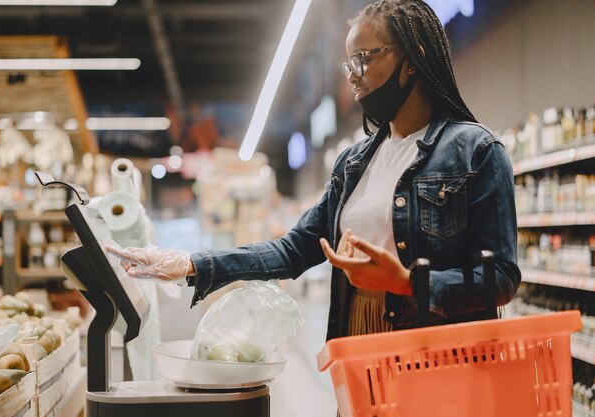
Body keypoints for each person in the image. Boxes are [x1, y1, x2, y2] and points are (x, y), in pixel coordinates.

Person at [108, 0, 520, 340]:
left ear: (413, 60)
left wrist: (410, 282)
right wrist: (192, 262)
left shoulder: (477, 152)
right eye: (348, 64)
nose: (353, 77)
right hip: (358, 333)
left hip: (437, 345)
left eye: (363, 59)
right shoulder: (355, 164)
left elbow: (501, 279)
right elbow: (294, 249)